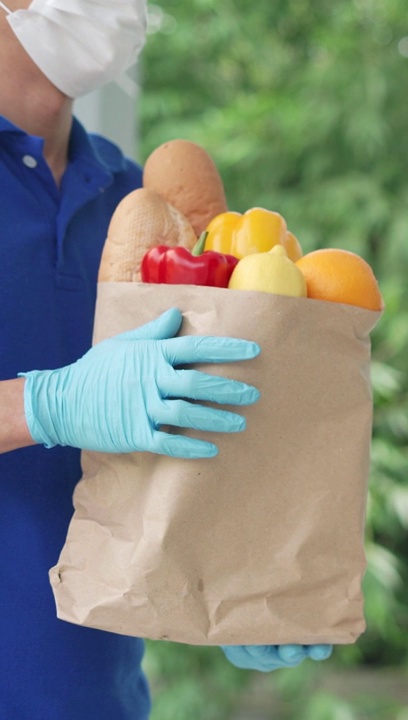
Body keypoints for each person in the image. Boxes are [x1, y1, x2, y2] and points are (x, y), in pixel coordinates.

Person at [0, 1, 330, 717]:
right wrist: (46, 404)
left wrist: (239, 580)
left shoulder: (145, 206)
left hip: (99, 697)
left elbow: (175, 457)